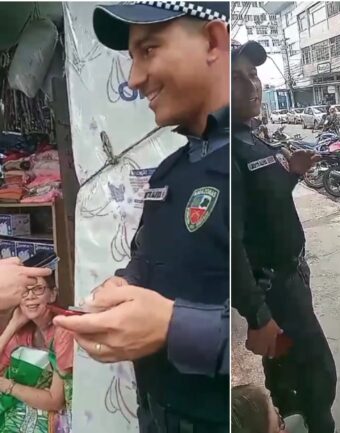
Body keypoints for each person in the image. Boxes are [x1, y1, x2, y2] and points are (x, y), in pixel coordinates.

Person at [53, 3, 230, 432]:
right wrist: (123, 284)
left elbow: (257, 324)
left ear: (212, 41)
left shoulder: (240, 165)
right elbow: (143, 254)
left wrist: (172, 326)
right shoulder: (170, 170)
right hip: (155, 410)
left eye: (148, 50)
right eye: (132, 59)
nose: (133, 79)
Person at [231, 40, 336, 433]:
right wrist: (258, 315)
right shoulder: (226, 152)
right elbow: (229, 242)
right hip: (274, 290)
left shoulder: (250, 138)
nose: (251, 85)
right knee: (317, 375)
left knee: (291, 372)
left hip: (291, 279)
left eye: (253, 75)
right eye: (236, 78)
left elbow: (264, 205)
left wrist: (291, 173)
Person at [0, 272, 73, 433]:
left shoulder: (63, 330)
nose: (30, 296)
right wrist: (12, 325)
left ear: (53, 294)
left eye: (38, 289)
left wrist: (8, 386)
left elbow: (56, 401)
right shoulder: (24, 332)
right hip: (26, 414)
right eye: (24, 291)